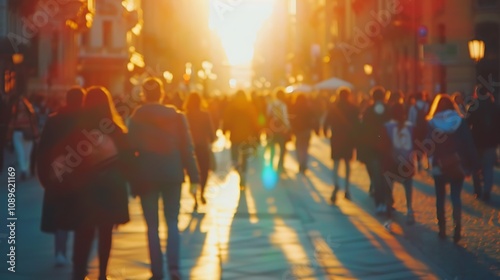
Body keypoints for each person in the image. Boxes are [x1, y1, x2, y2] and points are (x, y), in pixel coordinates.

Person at [128, 77, 200, 280]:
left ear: (143, 93)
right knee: (172, 221)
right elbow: (187, 148)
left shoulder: (137, 116)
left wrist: (132, 179)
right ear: (161, 93)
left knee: (151, 226)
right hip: (172, 173)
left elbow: (129, 149)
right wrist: (195, 177)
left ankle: (157, 271)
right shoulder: (176, 116)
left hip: (146, 175)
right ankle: (174, 268)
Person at [72, 86, 130, 280]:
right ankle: (102, 273)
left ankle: (79, 271)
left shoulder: (78, 129)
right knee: (106, 232)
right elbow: (126, 160)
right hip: (110, 188)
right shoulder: (116, 130)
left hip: (85, 188)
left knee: (83, 231)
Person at [37, 87, 86, 266]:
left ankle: (60, 252)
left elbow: (43, 150)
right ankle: (79, 255)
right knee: (81, 217)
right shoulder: (85, 120)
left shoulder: (53, 120)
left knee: (61, 217)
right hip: (81, 175)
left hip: (58, 175)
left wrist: (44, 176)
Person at [427, 94, 479, 243]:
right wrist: (474, 164)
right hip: (457, 163)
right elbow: (468, 143)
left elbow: (427, 144)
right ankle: (457, 229)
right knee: (456, 197)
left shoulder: (432, 123)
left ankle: (442, 229)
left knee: (440, 198)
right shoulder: (460, 121)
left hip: (439, 164)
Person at [358, 86, 392, 215]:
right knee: (388, 176)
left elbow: (363, 132)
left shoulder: (368, 111)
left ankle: (380, 204)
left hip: (373, 150)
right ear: (383, 96)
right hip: (387, 149)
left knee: (377, 177)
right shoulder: (389, 109)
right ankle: (388, 201)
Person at [382, 103, 415, 225]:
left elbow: (383, 145)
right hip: (407, 162)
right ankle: (410, 210)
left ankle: (389, 207)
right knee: (408, 187)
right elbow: (415, 143)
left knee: (389, 186)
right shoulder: (411, 127)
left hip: (391, 161)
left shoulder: (387, 127)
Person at [466, 85, 500, 201]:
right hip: (490, 143)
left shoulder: (473, 106)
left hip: (475, 142)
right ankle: (487, 192)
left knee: (476, 168)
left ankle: (477, 190)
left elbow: (467, 124)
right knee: (488, 168)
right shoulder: (494, 106)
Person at [323, 87, 358, 202]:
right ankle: (347, 188)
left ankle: (336, 184)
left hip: (336, 138)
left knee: (336, 163)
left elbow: (326, 121)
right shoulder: (353, 108)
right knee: (347, 164)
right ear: (348, 96)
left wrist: (324, 131)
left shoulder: (334, 107)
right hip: (349, 139)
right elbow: (357, 124)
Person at [184, 92, 216, 210]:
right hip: (203, 147)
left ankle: (194, 197)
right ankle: (201, 192)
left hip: (190, 148)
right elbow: (211, 132)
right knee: (204, 171)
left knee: (192, 174)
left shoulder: (186, 115)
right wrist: (212, 139)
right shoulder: (205, 115)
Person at [222, 90, 259, 189]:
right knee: (244, 158)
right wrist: (256, 133)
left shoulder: (232, 107)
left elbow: (226, 120)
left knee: (234, 158)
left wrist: (224, 130)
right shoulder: (249, 107)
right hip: (246, 137)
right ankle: (243, 173)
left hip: (234, 137)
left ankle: (239, 172)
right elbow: (255, 121)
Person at [9, 96, 38, 180]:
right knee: (21, 153)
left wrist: (36, 135)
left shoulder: (29, 115)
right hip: (18, 134)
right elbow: (11, 127)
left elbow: (34, 126)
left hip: (27, 135)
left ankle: (24, 169)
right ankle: (23, 170)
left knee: (26, 154)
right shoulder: (15, 116)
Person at [290, 93, 319, 174]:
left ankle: (300, 163)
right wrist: (316, 129)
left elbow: (291, 119)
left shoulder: (294, 107)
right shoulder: (308, 108)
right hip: (307, 130)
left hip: (298, 131)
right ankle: (304, 163)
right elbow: (313, 118)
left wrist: (292, 129)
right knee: (305, 148)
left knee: (298, 147)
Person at [266, 88, 291, 173]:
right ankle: (280, 165)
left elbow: (268, 115)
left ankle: (271, 164)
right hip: (281, 130)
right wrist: (287, 127)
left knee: (272, 147)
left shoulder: (271, 104)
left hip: (272, 129)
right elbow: (285, 118)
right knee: (282, 148)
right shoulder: (283, 105)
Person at [408, 91, 430, 171]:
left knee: (418, 147)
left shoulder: (412, 108)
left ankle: (419, 163)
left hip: (416, 131)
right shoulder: (427, 106)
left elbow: (411, 121)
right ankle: (428, 163)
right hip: (426, 129)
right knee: (428, 146)